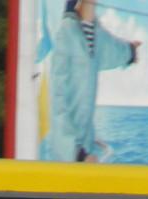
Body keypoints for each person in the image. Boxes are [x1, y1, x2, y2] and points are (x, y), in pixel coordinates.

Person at [49, 0, 140, 162]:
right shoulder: (66, 34)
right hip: (69, 155)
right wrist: (76, 155)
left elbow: (112, 50)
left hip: (86, 144)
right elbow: (57, 102)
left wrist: (130, 51)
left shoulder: (94, 32)